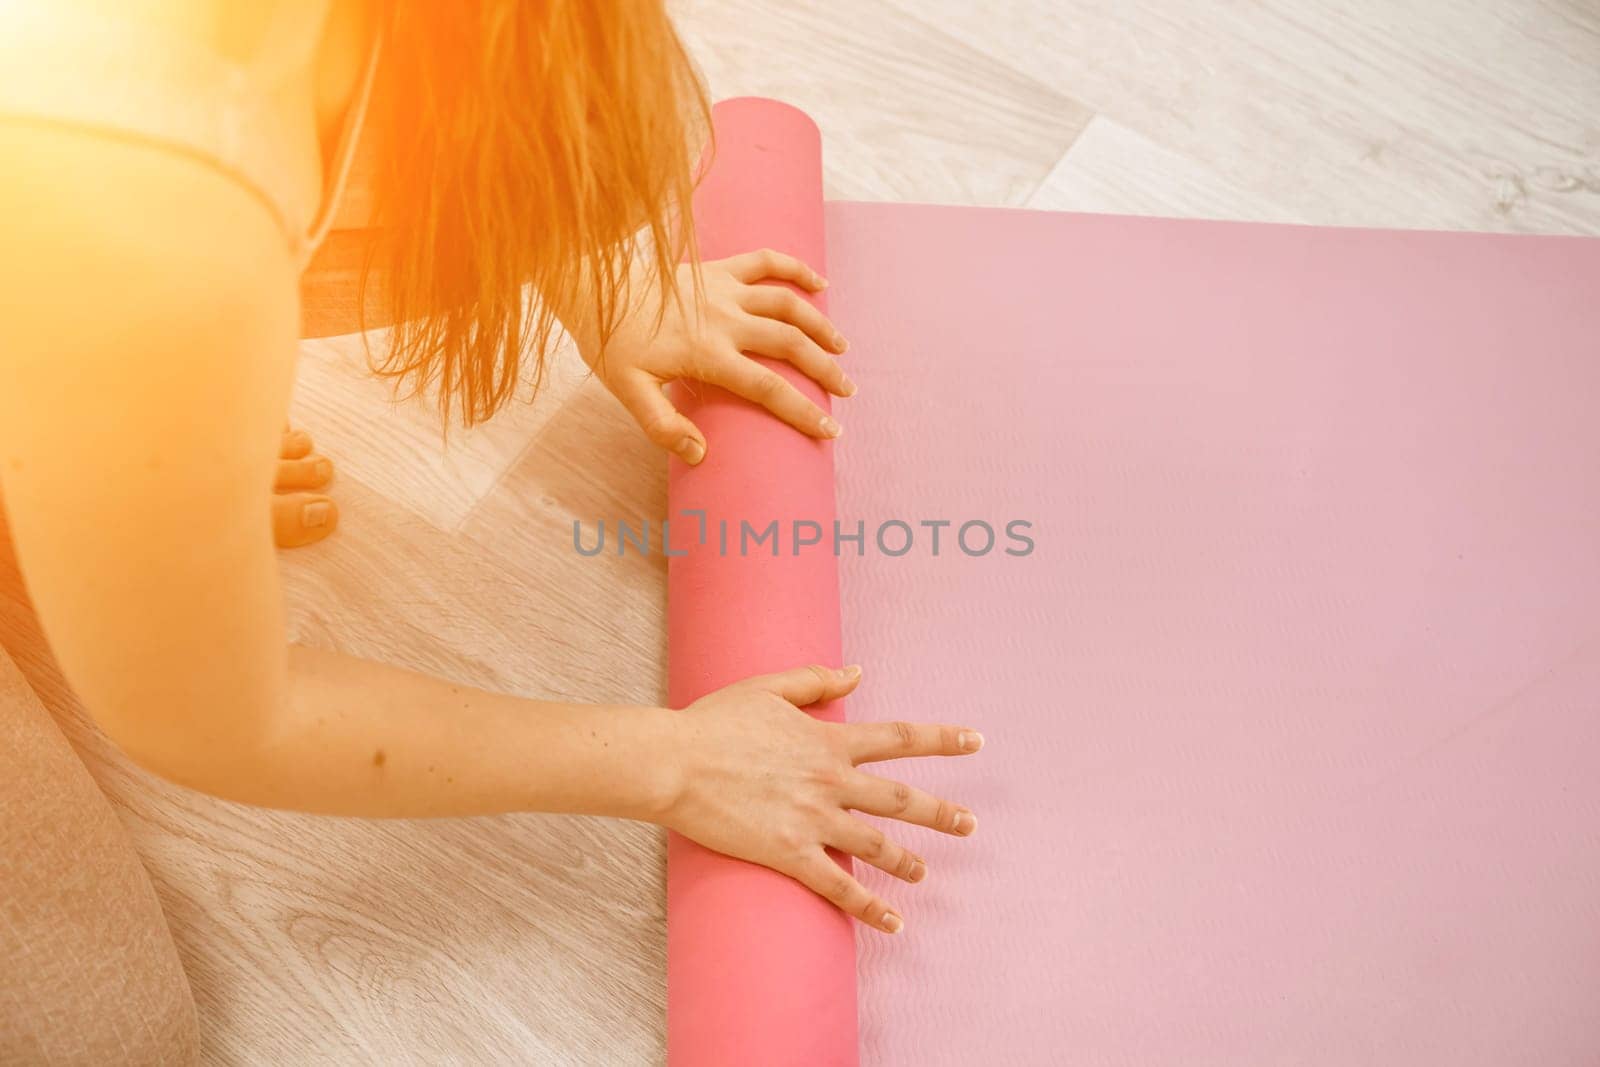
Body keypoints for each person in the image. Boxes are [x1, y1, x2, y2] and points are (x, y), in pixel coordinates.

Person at [0, 1, 982, 1060]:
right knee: (109, 1030)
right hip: (83, 244)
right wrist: (677, 761)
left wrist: (608, 283)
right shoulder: (147, 216)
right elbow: (216, 719)